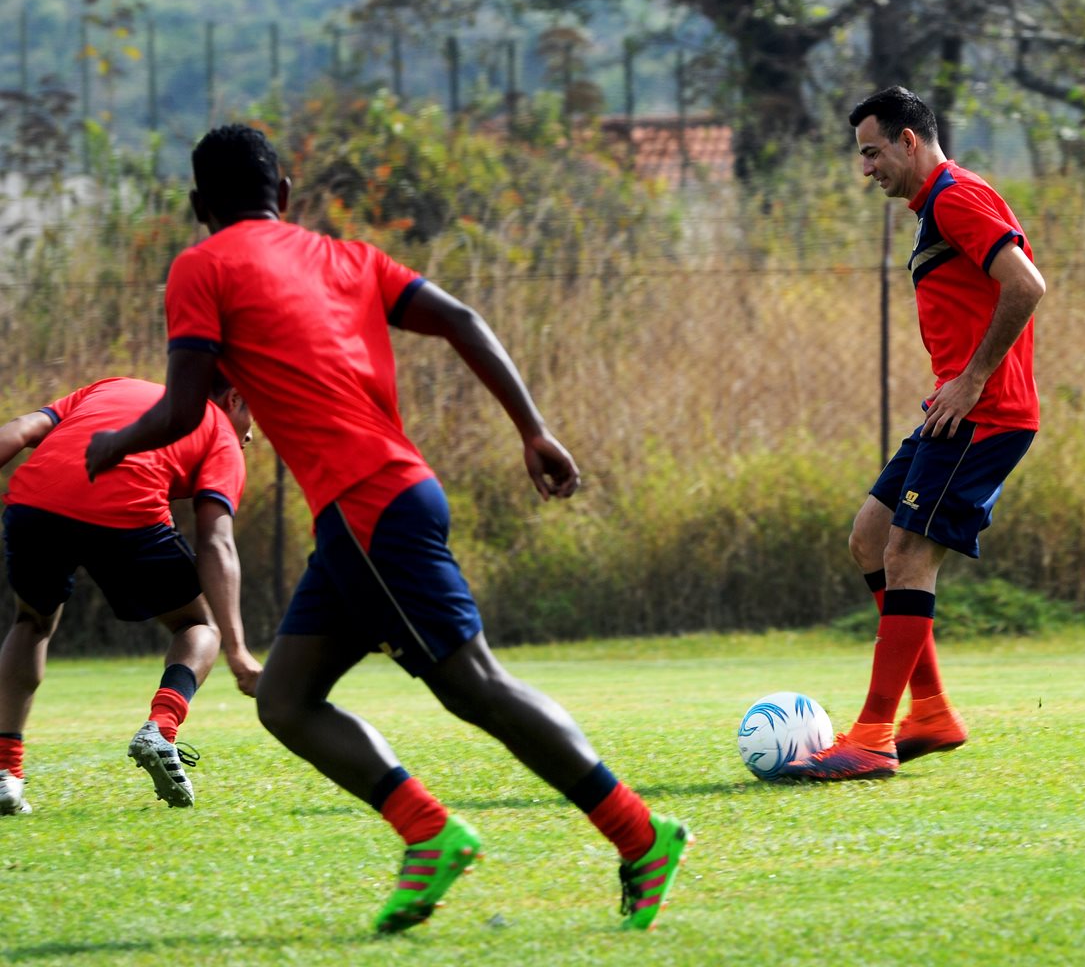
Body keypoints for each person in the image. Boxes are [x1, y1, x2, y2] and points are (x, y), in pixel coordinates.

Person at [84, 124, 691, 933]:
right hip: (373, 507)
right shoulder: (348, 258)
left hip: (370, 506)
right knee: (288, 699)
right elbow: (463, 318)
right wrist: (531, 429)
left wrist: (114, 442)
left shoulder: (202, 264)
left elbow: (185, 407)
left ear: (198, 206)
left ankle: (639, 833)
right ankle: (429, 833)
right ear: (287, 195)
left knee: (474, 685)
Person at [786, 86, 1045, 782]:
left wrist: (972, 378)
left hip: (982, 413)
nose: (864, 168)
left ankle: (871, 736)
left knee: (905, 553)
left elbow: (1025, 285)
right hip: (952, 411)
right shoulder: (937, 203)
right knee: (870, 537)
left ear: (908, 140)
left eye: (871, 152)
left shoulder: (956, 196)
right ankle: (927, 711)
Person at [0, 374, 261, 816]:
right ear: (233, 398)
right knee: (198, 625)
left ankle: (5, 775)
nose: (252, 432)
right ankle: (161, 727)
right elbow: (217, 543)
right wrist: (238, 652)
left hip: (34, 504)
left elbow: (24, 429)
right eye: (253, 413)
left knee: (32, 622)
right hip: (125, 513)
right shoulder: (218, 430)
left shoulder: (112, 387)